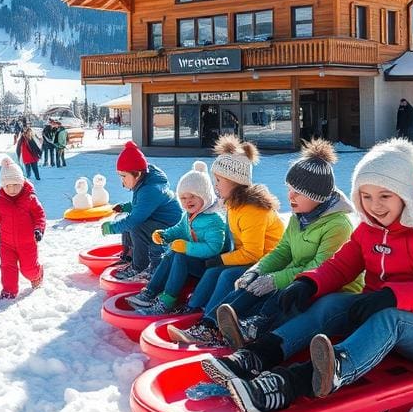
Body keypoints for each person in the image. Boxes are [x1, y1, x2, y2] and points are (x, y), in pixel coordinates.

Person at [202, 139, 413, 412]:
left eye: (385, 196)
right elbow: (341, 265)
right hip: (385, 308)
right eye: (366, 196)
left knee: (391, 318)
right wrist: (307, 282)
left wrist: (390, 296)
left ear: (406, 194)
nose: (375, 206)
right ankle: (259, 354)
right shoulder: (370, 228)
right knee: (331, 303)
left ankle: (294, 382)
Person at [201, 140, 363, 349]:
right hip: (298, 277)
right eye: (289, 189)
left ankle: (255, 328)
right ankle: (212, 324)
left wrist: (276, 279)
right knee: (252, 285)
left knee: (283, 293)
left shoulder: (338, 225)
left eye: (297, 192)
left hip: (330, 287)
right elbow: (283, 251)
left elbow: (321, 268)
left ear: (317, 196)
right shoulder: (300, 216)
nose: (290, 197)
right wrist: (257, 270)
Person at [167, 136, 284, 344]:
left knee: (226, 275)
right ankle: (195, 309)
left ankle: (210, 327)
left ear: (235, 181)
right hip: (251, 259)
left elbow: (253, 253)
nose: (215, 185)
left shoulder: (252, 210)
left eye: (219, 181)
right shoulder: (233, 204)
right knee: (213, 271)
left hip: (268, 263)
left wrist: (221, 259)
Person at [126, 161, 226, 315]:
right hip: (195, 261)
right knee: (171, 253)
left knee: (180, 255)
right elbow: (179, 229)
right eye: (183, 198)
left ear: (205, 196)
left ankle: (167, 301)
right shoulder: (189, 215)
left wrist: (187, 248)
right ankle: (150, 292)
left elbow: (214, 247)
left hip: (209, 266)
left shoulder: (214, 219)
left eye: (192, 196)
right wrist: (165, 235)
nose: (187, 201)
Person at [100, 142, 184, 282]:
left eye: (124, 176)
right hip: (156, 218)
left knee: (135, 227)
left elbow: (136, 219)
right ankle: (130, 256)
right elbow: (142, 206)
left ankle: (139, 266)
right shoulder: (144, 181)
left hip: (171, 225)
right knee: (127, 221)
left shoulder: (150, 189)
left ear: (137, 174)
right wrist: (126, 207)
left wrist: (112, 227)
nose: (122, 182)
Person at [0, 157, 46, 299]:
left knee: (28, 270)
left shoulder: (30, 198)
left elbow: (40, 215)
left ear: (22, 182)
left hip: (27, 243)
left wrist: (39, 229)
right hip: (7, 244)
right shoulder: (0, 201)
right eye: (7, 186)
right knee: (7, 267)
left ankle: (37, 273)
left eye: (15, 184)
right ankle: (9, 290)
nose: (11, 189)